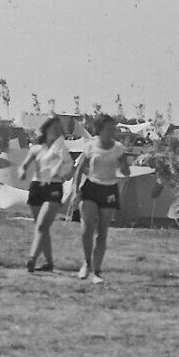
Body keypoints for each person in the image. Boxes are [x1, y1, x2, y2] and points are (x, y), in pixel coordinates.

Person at [67, 114, 132, 285]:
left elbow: (126, 171)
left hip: (109, 189)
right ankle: (86, 263)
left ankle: (97, 270)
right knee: (87, 227)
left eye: (114, 129)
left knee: (102, 232)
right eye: (109, 129)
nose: (112, 132)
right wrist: (75, 191)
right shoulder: (90, 146)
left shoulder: (119, 148)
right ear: (100, 130)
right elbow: (79, 169)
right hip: (91, 187)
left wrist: (124, 168)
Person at [17, 116, 74, 273]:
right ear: (46, 128)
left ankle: (32, 259)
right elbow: (24, 165)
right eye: (53, 127)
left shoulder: (62, 149)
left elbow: (69, 171)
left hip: (54, 187)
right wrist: (22, 172)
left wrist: (65, 172)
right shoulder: (36, 149)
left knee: (42, 225)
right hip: (36, 187)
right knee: (42, 227)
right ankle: (49, 262)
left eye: (58, 128)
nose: (56, 130)